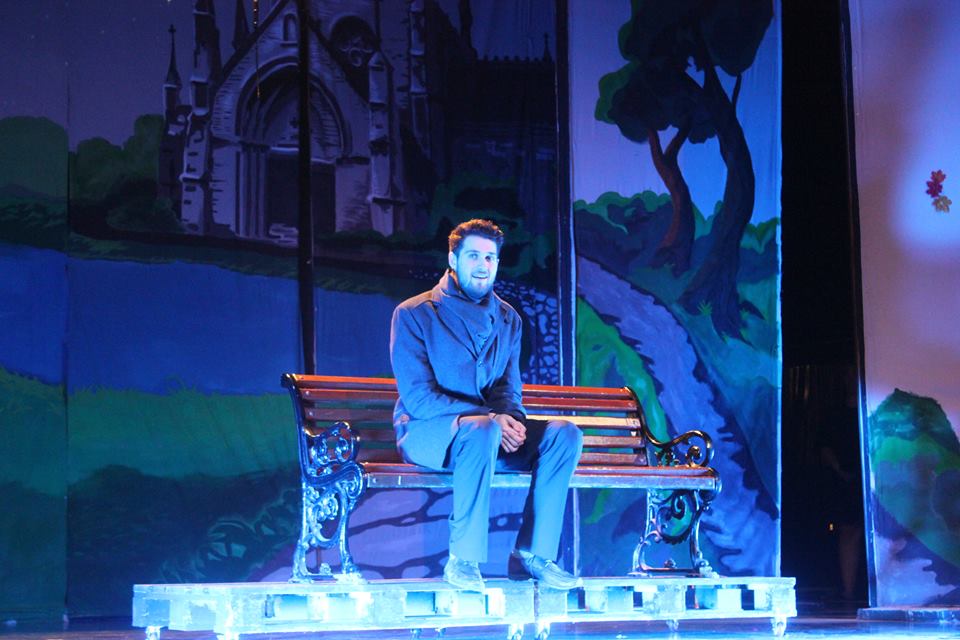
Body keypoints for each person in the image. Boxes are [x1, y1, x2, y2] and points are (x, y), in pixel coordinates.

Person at [389, 218, 583, 592]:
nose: (483, 265)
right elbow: (418, 399)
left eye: (490, 258)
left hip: (486, 431)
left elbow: (507, 388)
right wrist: (489, 417)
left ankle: (533, 554)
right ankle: (463, 560)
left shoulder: (508, 318)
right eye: (474, 256)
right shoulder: (414, 313)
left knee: (564, 434)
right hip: (429, 431)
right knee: (482, 429)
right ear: (453, 259)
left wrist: (509, 419)